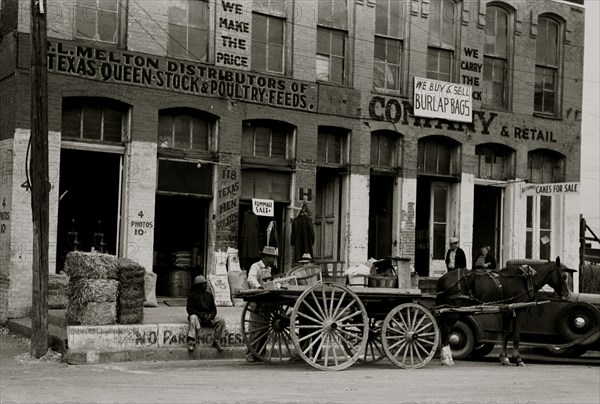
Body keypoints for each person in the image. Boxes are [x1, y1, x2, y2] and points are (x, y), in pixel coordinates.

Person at [245, 246, 279, 362]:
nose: (273, 259)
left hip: (266, 304)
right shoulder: (256, 266)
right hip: (257, 302)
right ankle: (250, 354)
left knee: (265, 330)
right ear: (265, 257)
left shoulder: (269, 269)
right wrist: (259, 287)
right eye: (272, 257)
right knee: (255, 330)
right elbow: (250, 279)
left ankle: (260, 354)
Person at [186, 275, 225, 353]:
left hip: (208, 317)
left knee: (221, 320)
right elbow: (190, 310)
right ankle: (191, 342)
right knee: (193, 317)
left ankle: (216, 341)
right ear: (199, 285)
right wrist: (201, 315)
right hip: (199, 317)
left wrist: (211, 316)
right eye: (204, 283)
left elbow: (214, 309)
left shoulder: (209, 295)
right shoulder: (192, 296)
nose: (206, 285)